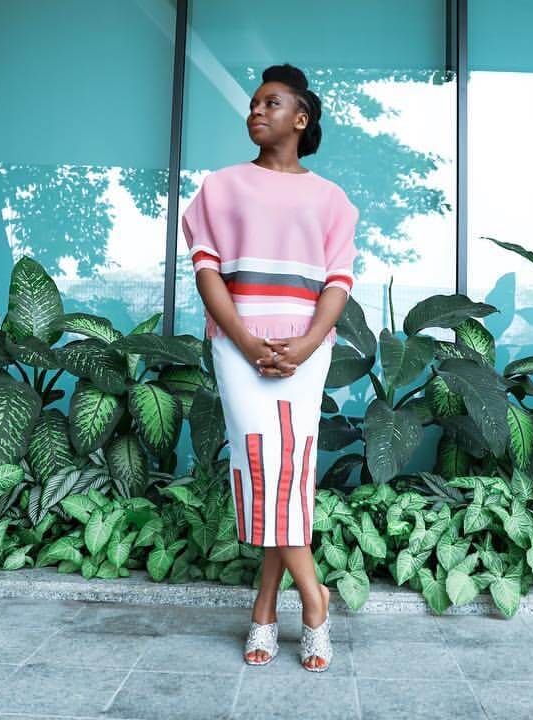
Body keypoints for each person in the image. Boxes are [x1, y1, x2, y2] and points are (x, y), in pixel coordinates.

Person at [179, 63, 359, 672]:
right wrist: (246, 341)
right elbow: (207, 271)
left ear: (300, 119)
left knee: (292, 468)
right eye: (254, 104)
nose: (256, 111)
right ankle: (313, 597)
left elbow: (337, 283)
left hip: (307, 348)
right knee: (261, 461)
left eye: (271, 103)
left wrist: (306, 344)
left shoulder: (332, 199)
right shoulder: (221, 187)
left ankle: (264, 605)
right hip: (238, 346)